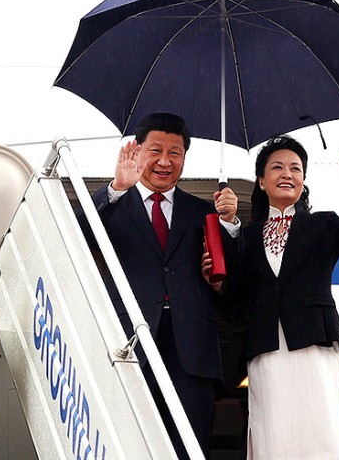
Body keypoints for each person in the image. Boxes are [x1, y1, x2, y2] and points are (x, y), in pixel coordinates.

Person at [80, 112, 242, 459]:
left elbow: (233, 282)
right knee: (127, 443)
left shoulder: (205, 213)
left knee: (187, 446)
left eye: (175, 152)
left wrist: (229, 224)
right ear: (136, 152)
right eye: (156, 150)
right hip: (129, 344)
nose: (165, 161)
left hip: (191, 350)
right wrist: (116, 189)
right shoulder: (114, 204)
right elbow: (76, 236)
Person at [233, 130, 339, 459]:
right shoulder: (247, 236)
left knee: (319, 429)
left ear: (303, 181)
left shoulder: (322, 225)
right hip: (266, 347)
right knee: (274, 432)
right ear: (260, 180)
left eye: (296, 168)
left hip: (313, 339)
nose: (287, 174)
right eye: (277, 167)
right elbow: (233, 293)